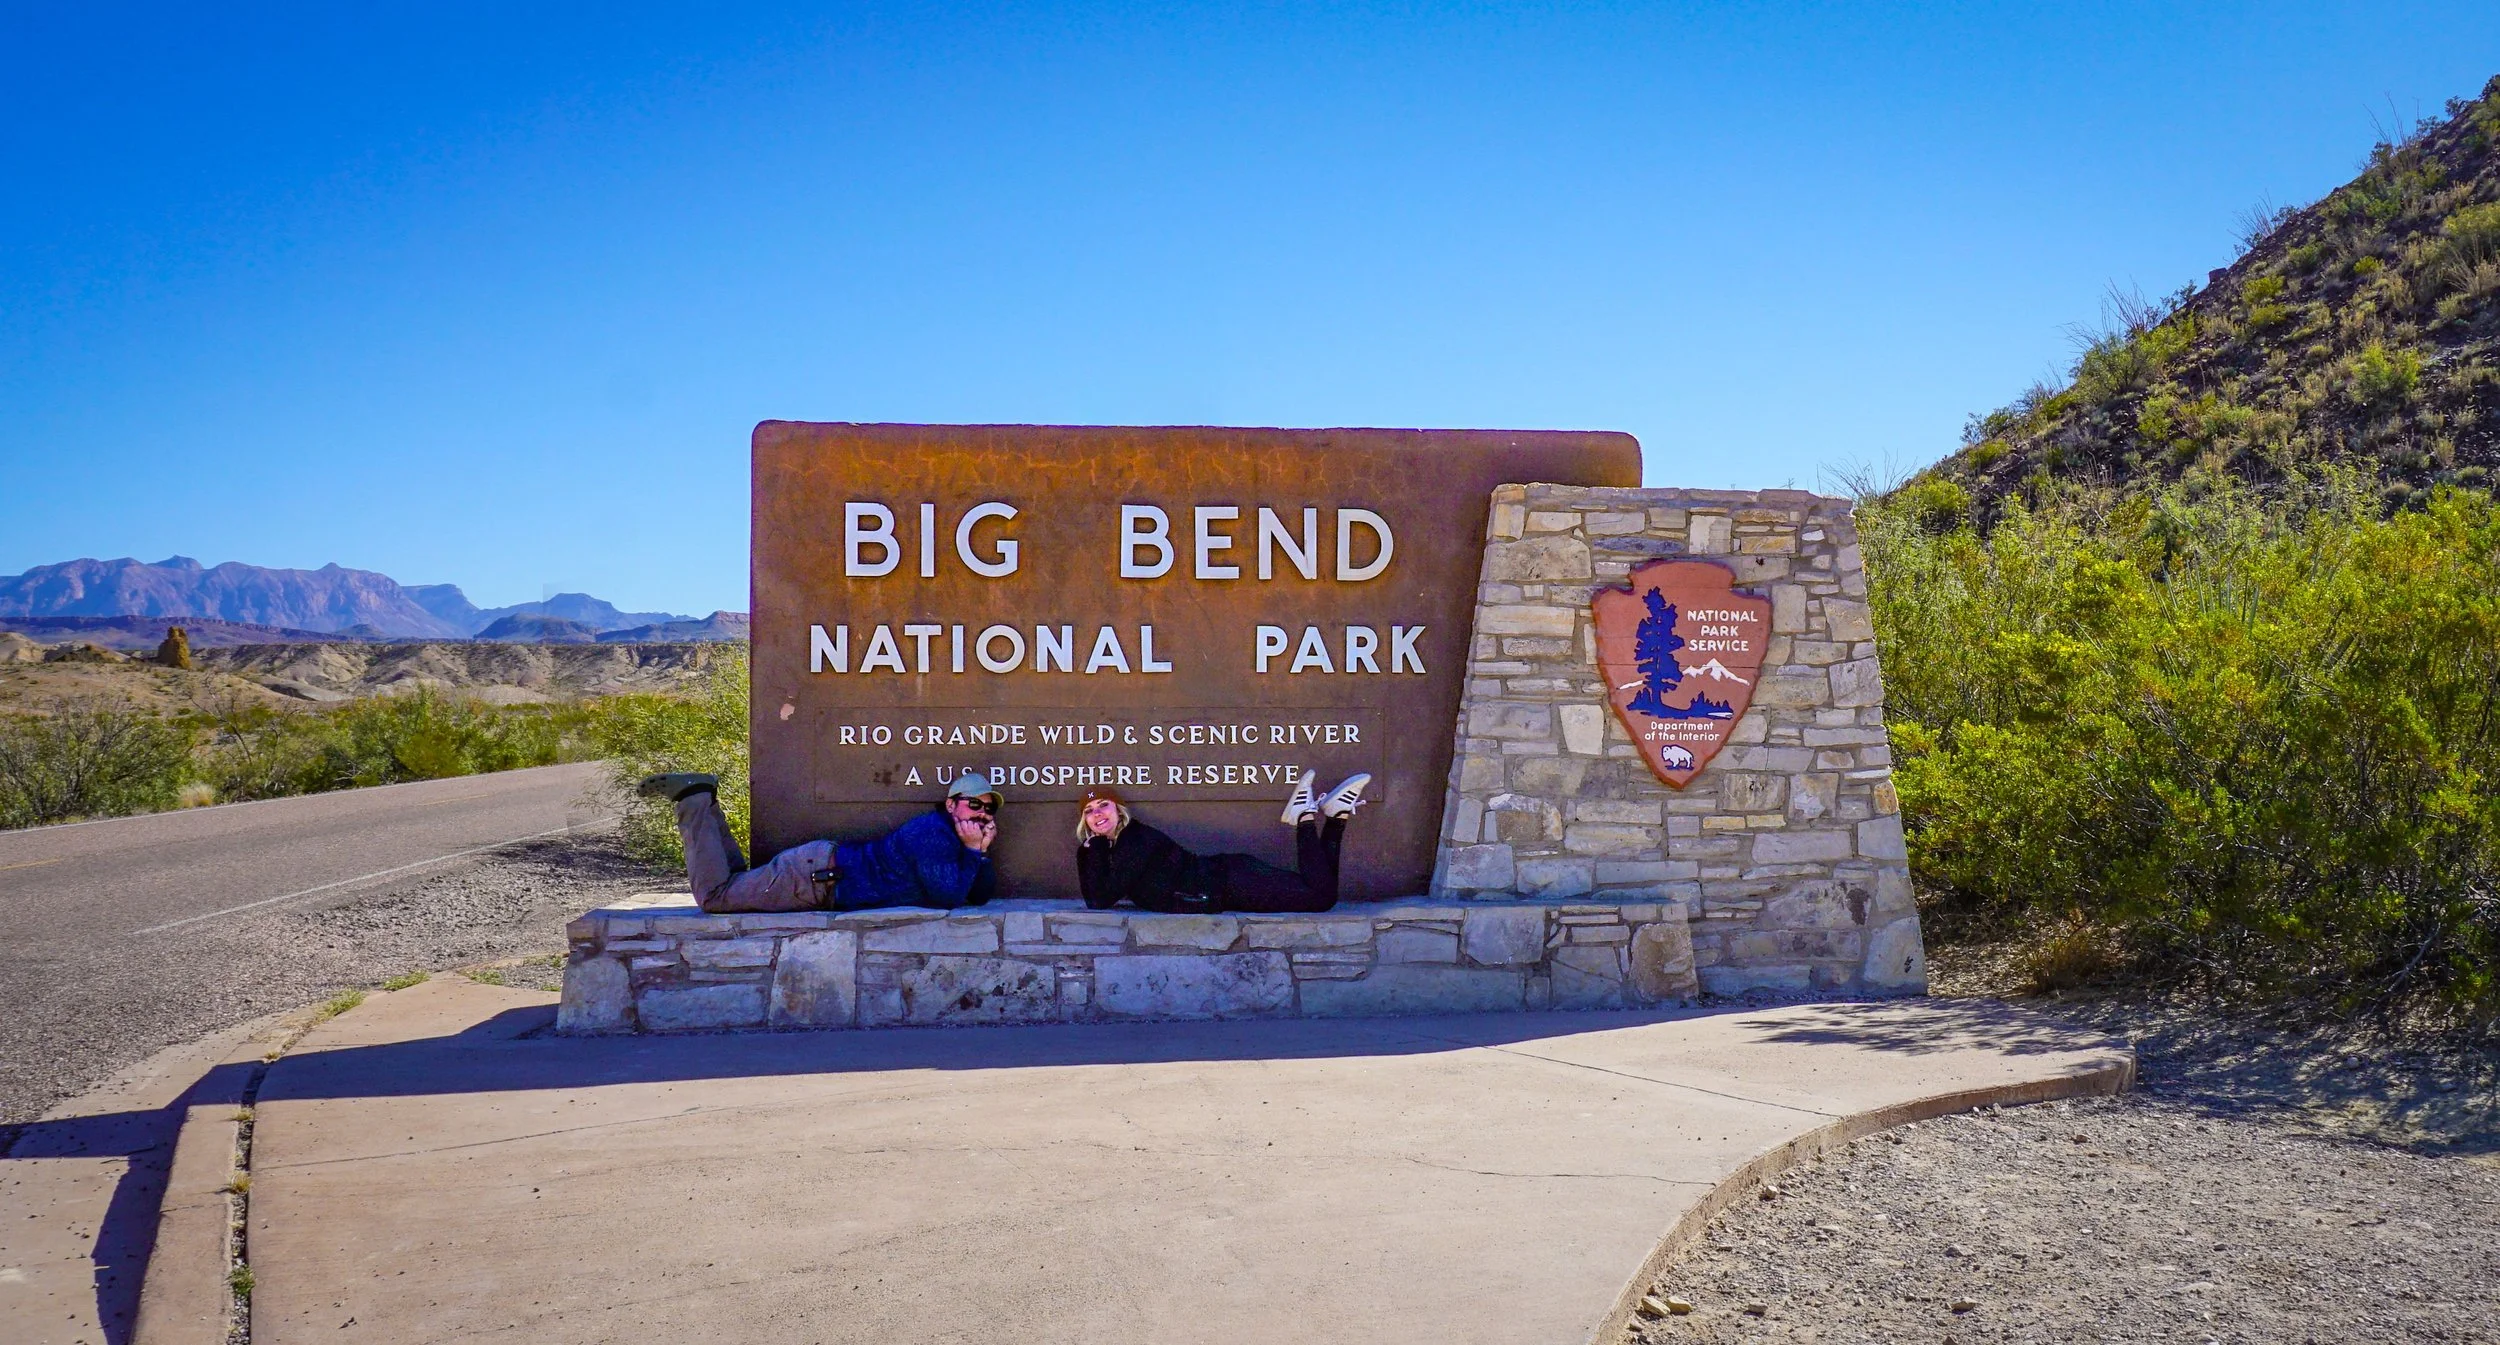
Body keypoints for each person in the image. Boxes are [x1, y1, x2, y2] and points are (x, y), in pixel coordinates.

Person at [637, 770, 1001, 913]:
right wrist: (972, 851)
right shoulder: (933, 833)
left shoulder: (954, 837)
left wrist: (979, 853)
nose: (982, 813)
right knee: (715, 897)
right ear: (951, 803)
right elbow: (947, 898)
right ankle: (694, 798)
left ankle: (704, 799)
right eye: (974, 804)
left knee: (731, 882)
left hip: (819, 873)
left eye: (987, 807)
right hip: (813, 880)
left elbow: (977, 894)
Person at [1074, 770, 1369, 913]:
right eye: (1089, 811)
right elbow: (1094, 894)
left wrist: (1095, 848)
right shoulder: (1117, 845)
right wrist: (1092, 849)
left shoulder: (1135, 841)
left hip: (1230, 884)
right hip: (1228, 878)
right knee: (1320, 891)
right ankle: (1335, 815)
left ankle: (1304, 817)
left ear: (1118, 810)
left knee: (1321, 898)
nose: (1097, 813)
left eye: (1104, 805)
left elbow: (1100, 899)